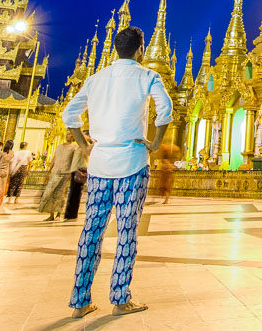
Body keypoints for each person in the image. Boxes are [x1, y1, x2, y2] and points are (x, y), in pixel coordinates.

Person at [62, 26, 172, 318]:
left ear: (115, 49)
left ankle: (79, 301)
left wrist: (85, 145)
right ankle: (120, 298)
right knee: (126, 231)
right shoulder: (148, 76)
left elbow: (69, 114)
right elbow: (166, 109)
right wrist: (155, 143)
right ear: (140, 50)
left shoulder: (96, 79)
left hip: (100, 165)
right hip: (133, 163)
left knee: (92, 231)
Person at [39, 132, 77, 221]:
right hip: (55, 172)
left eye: (70, 134)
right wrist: (48, 171)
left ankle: (58, 215)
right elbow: (54, 158)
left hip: (66, 173)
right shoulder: (59, 146)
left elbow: (74, 161)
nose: (68, 136)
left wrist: (72, 173)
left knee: (61, 194)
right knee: (50, 193)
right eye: (67, 134)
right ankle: (51, 214)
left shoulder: (74, 147)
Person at [64, 141, 90, 221]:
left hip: (80, 170)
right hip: (75, 170)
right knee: (72, 193)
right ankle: (69, 215)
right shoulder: (77, 148)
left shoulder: (86, 147)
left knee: (76, 193)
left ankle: (73, 215)